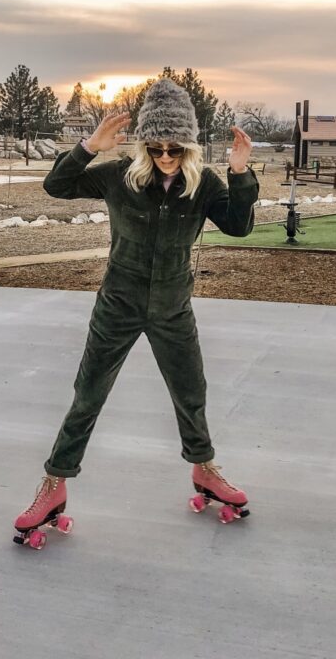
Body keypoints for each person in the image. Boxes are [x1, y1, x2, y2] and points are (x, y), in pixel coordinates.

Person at [14, 78, 259, 544]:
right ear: (145, 145)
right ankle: (54, 483)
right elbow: (56, 185)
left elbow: (240, 227)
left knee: (191, 392)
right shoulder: (120, 177)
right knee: (88, 395)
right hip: (118, 307)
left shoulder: (202, 185)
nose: (165, 155)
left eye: (174, 147)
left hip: (172, 309)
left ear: (187, 146)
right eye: (156, 146)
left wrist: (240, 173)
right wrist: (88, 147)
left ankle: (206, 470)